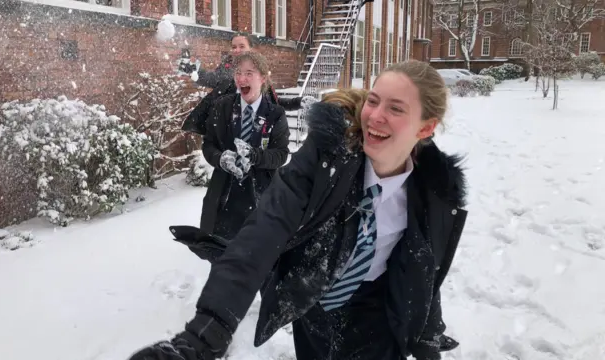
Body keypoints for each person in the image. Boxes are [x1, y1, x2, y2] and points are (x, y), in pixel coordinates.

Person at [128, 60, 468, 360]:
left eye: (396, 109)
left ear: (425, 127)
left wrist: (426, 338)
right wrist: (205, 333)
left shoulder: (435, 192)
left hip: (378, 317)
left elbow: (424, 267)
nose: (375, 117)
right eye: (374, 100)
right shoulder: (325, 158)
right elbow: (265, 229)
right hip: (315, 305)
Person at [199, 51, 290, 239]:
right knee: (221, 257)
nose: (241, 78)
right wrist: (220, 158)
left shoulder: (275, 113)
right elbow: (208, 145)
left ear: (263, 77)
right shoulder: (222, 107)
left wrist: (255, 155)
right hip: (224, 198)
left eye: (249, 73)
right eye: (238, 73)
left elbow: (280, 155)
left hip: (260, 200)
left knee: (256, 257)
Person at [182, 33, 303, 135]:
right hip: (230, 131)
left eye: (241, 46)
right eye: (234, 47)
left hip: (257, 131)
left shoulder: (259, 71)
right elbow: (214, 78)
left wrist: (298, 102)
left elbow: (273, 101)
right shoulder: (228, 67)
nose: (236, 50)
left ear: (251, 48)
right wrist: (196, 72)